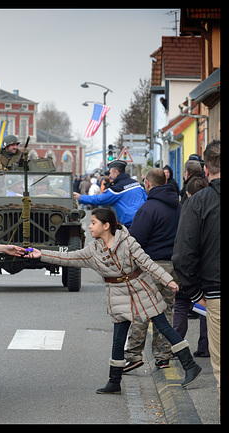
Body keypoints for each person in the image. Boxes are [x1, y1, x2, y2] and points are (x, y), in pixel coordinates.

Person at [26, 208, 202, 393]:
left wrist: (168, 280)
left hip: (141, 289)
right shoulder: (93, 250)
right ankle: (114, 382)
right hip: (117, 294)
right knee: (118, 339)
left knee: (164, 327)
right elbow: (69, 257)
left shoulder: (128, 242)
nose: (90, 226)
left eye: (94, 222)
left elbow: (147, 263)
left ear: (106, 225)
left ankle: (190, 366)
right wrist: (42, 254)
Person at [172, 140, 220, 401]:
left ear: (207, 170)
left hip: (214, 293)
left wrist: (194, 293)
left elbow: (182, 255)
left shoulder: (197, 202)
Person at [123, 168, 181, 372]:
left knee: (142, 311)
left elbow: (135, 240)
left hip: (150, 266)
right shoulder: (178, 207)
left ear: (147, 183)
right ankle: (163, 356)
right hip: (172, 267)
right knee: (165, 312)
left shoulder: (148, 209)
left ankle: (134, 355)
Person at [172, 176, 209, 358]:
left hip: (187, 265)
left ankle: (177, 347)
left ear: (188, 194)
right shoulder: (211, 208)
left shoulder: (185, 209)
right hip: (206, 267)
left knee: (181, 304)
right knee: (204, 307)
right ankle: (205, 346)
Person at [74, 160, 147, 228]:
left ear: (116, 172)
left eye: (111, 173)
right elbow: (146, 198)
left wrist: (80, 197)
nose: (110, 176)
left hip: (131, 224)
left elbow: (100, 199)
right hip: (145, 219)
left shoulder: (117, 189)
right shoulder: (137, 184)